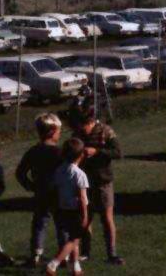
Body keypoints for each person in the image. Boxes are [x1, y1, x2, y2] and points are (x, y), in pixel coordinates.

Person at [73, 110, 124, 265]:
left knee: (107, 218)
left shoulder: (106, 131)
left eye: (84, 126)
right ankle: (85, 252)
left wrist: (97, 151)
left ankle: (112, 253)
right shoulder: (78, 133)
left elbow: (117, 152)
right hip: (84, 182)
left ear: (91, 122)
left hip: (103, 181)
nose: (82, 130)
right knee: (85, 218)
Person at [16, 113, 63, 268]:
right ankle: (64, 254)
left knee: (39, 223)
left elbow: (20, 172)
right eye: (59, 130)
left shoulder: (33, 151)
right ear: (52, 131)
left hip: (40, 192)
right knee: (62, 224)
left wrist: (30, 186)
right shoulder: (59, 152)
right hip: (58, 193)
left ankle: (36, 254)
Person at [45, 138, 89, 276]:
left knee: (72, 237)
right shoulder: (80, 174)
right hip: (76, 211)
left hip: (62, 209)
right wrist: (85, 216)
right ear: (82, 155)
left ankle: (75, 268)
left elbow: (54, 188)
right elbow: (82, 198)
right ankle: (53, 264)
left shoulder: (59, 170)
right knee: (74, 240)